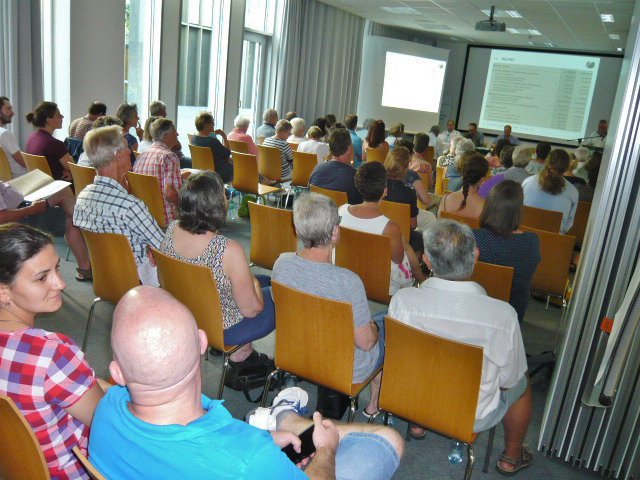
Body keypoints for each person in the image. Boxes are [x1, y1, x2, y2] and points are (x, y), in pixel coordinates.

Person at [89, 285, 403, 479]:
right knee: (385, 441)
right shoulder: (248, 460)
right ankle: (291, 420)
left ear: (116, 373)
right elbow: (234, 458)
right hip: (249, 462)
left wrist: (265, 442)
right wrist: (325, 453)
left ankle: (286, 422)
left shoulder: (106, 409)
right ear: (202, 343)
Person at [388, 220, 532, 476]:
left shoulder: (403, 300)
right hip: (471, 413)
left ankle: (419, 423)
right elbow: (509, 381)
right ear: (475, 256)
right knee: (523, 385)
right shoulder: (503, 315)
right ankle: (512, 456)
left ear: (427, 261)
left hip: (411, 398)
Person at [0, 223, 105, 479]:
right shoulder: (51, 353)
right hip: (73, 471)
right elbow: (103, 421)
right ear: (3, 291)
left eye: (57, 267)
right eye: (42, 277)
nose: (60, 283)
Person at [272, 192, 386, 417]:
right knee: (388, 325)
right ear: (335, 233)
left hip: (295, 353)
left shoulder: (281, 263)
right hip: (344, 366)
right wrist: (374, 325)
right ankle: (374, 404)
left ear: (297, 229)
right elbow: (366, 343)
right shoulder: (348, 281)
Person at [160, 170, 273, 365]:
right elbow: (252, 310)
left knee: (266, 280)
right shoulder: (227, 249)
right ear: (217, 205)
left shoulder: (172, 229)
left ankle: (241, 351)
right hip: (224, 327)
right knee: (279, 293)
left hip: (188, 311)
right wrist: (252, 282)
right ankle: (244, 356)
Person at [73, 126, 164, 286]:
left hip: (106, 278)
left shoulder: (81, 198)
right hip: (137, 281)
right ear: (117, 155)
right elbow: (164, 247)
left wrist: (149, 245)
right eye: (126, 147)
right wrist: (153, 248)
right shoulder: (130, 206)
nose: (130, 151)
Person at [338, 161, 426, 294]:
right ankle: (422, 279)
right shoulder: (389, 227)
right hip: (379, 285)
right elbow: (398, 259)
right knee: (404, 244)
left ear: (358, 186)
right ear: (385, 191)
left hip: (347, 274)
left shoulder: (341, 211)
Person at [474, 181, 541, 323]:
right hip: (511, 315)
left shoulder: (473, 237)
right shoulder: (531, 242)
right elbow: (530, 277)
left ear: (489, 206)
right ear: (519, 210)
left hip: (474, 308)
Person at [133, 118, 184, 225]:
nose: (178, 134)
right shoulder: (169, 157)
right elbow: (169, 193)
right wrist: (187, 204)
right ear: (166, 136)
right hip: (167, 220)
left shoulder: (141, 156)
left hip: (144, 219)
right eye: (175, 132)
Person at [384, 146, 435, 244]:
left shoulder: (377, 183)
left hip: (382, 221)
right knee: (431, 218)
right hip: (401, 230)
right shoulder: (409, 193)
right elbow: (413, 225)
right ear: (406, 168)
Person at [522, 149, 579, 234]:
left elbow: (518, 213)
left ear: (546, 162)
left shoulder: (527, 182)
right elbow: (567, 226)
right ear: (567, 166)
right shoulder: (573, 192)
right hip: (554, 243)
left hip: (524, 238)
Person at [308, 128, 362, 204]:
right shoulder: (355, 177)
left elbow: (308, 195)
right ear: (349, 149)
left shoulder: (317, 169)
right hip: (341, 215)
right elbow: (358, 206)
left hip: (316, 214)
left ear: (330, 148)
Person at [24, 101, 74, 181]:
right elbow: (74, 169)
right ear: (49, 120)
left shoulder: (32, 137)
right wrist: (70, 172)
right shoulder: (54, 144)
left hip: (38, 183)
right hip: (57, 186)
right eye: (58, 115)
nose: (62, 116)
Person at [438, 153, 489, 220]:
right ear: (482, 180)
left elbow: (438, 226)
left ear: (463, 173)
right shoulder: (485, 206)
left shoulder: (446, 199)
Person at [191, 111, 233, 183]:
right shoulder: (212, 141)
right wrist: (224, 136)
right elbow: (228, 152)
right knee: (240, 167)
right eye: (212, 122)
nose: (214, 124)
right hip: (219, 172)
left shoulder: (194, 138)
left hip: (202, 170)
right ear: (206, 125)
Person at [147, 100, 191, 168]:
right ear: (162, 111)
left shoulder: (143, 156)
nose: (177, 134)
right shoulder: (169, 158)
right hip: (177, 159)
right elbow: (178, 146)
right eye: (165, 110)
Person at [0, 96, 27, 177]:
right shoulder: (5, 134)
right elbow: (23, 162)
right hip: (21, 179)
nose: (12, 113)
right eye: (8, 109)